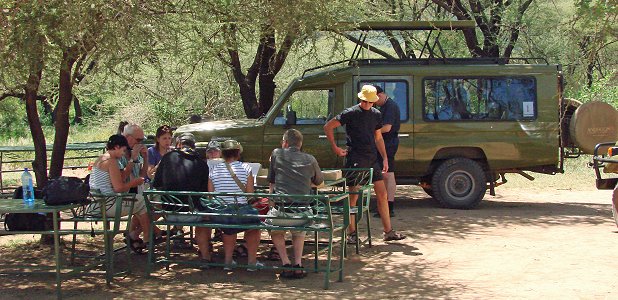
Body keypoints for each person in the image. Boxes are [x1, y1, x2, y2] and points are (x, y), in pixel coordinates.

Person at [323, 84, 406, 242]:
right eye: (364, 101)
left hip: (372, 159)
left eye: (370, 102)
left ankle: (388, 232)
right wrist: (335, 148)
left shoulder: (376, 114)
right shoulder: (350, 112)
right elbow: (328, 127)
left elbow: (378, 137)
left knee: (382, 194)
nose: (367, 104)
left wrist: (385, 157)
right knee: (354, 196)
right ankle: (351, 233)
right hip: (355, 158)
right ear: (360, 99)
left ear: (374, 101)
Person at [268, 129, 323, 279]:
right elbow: (319, 182)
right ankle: (298, 264)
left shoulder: (276, 154)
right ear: (300, 144)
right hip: (303, 214)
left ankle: (286, 262)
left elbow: (271, 181)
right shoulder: (310, 159)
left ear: (285, 143)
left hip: (281, 213)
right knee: (299, 231)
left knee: (275, 229)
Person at [152, 132, 213, 264]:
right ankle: (206, 255)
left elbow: (156, 184)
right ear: (194, 146)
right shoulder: (201, 163)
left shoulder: (167, 158)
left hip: (169, 213)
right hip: (192, 214)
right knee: (206, 216)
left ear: (178, 144)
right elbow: (204, 193)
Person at [87, 134, 153, 253]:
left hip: (98, 203)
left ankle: (140, 235)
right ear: (116, 147)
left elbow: (120, 177)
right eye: (123, 150)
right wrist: (134, 183)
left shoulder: (102, 158)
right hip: (108, 204)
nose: (123, 153)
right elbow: (119, 188)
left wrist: (133, 160)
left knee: (139, 202)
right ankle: (147, 238)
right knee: (143, 201)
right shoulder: (111, 161)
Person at [208, 140, 262, 270]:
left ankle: (228, 261)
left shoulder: (214, 169)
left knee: (229, 228)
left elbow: (210, 195)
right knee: (254, 225)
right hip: (240, 212)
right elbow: (249, 195)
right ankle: (252, 262)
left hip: (221, 214)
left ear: (222, 154)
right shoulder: (246, 168)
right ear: (238, 153)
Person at [120, 123, 162, 250]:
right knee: (143, 204)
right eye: (138, 140)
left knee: (159, 202)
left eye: (142, 140)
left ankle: (133, 234)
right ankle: (148, 236)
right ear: (128, 138)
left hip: (138, 189)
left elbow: (143, 176)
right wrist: (132, 160)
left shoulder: (136, 152)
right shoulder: (119, 153)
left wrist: (145, 156)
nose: (140, 143)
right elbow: (121, 178)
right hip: (123, 192)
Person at [373, 85, 400, 218]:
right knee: (387, 174)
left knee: (387, 175)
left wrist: (371, 132)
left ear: (381, 94)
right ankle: (385, 205)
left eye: (375, 99)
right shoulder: (383, 106)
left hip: (388, 143)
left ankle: (388, 206)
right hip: (385, 142)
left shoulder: (390, 106)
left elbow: (387, 128)